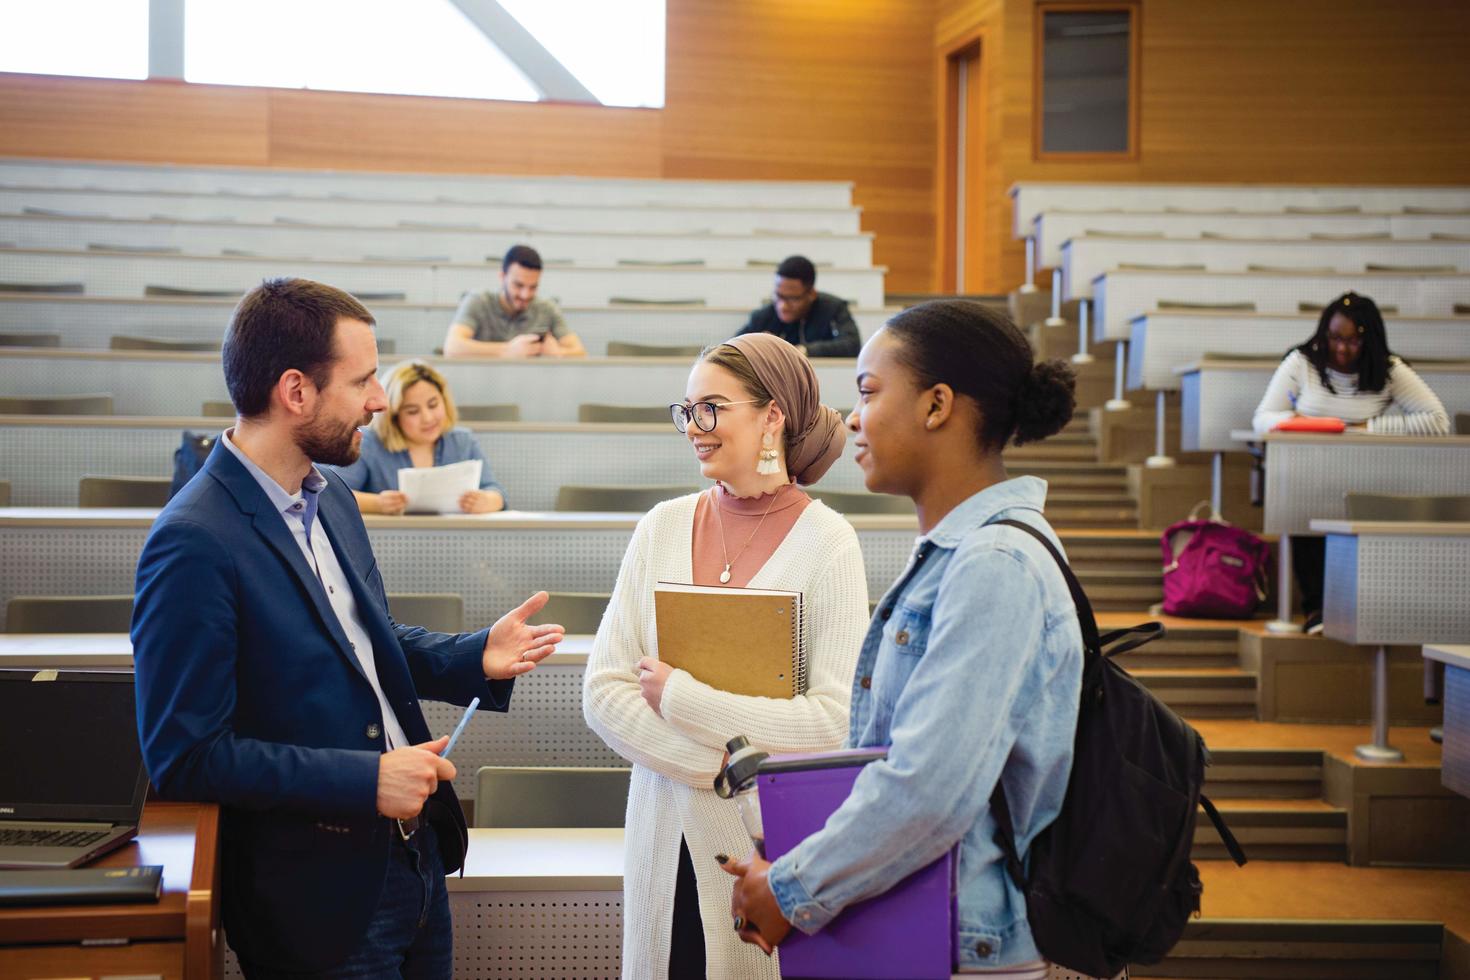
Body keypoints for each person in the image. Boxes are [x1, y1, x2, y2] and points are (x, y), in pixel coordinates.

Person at [132, 277, 565, 978]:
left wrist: (471, 655)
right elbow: (185, 755)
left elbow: (359, 642)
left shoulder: (329, 492)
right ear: (295, 392)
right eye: (362, 380)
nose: (379, 400)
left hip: (413, 855)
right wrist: (364, 781)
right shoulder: (193, 539)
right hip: (318, 897)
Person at [722, 300, 1086, 976]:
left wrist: (788, 888)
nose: (853, 418)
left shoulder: (994, 566)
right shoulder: (963, 555)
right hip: (925, 924)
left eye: (868, 392)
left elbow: (929, 790)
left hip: (961, 943)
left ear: (937, 405)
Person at [583, 332, 870, 979]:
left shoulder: (829, 542)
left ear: (773, 416)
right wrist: (725, 767)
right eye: (687, 410)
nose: (694, 427)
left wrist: (682, 699)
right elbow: (603, 693)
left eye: (711, 408)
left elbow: (833, 721)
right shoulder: (660, 525)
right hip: (660, 836)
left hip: (768, 849)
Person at [1252, 291, 1450, 632]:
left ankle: (1367, 608)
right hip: (1308, 475)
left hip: (1368, 476)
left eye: (1353, 341)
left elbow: (1436, 421)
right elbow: (1263, 419)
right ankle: (1317, 608)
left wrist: (1364, 428)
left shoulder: (1389, 370)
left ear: (1369, 339)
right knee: (1302, 506)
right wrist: (1303, 423)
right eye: (1335, 338)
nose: (1342, 349)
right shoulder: (1303, 362)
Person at [328, 358, 508, 515]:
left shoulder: (462, 441)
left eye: (433, 404)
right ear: (395, 416)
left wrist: (487, 501)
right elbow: (333, 495)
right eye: (412, 411)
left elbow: (496, 492)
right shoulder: (370, 443)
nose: (427, 418)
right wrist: (378, 504)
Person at [442, 244, 587, 358]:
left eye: (533, 287)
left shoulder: (547, 308)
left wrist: (558, 353)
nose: (525, 295)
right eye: (518, 285)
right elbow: (452, 347)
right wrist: (507, 350)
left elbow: (580, 352)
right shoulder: (478, 302)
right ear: (502, 276)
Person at [737, 255, 861, 358]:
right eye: (778, 296)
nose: (783, 306)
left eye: (792, 298)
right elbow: (732, 349)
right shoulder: (762, 317)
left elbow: (852, 345)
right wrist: (755, 345)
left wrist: (804, 350)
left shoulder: (833, 309)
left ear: (811, 294)